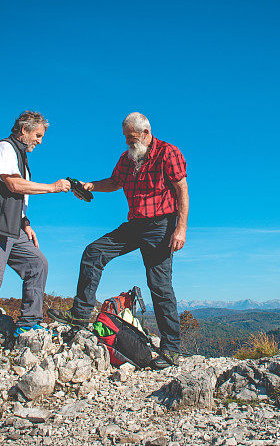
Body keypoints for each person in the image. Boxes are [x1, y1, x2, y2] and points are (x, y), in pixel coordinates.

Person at [51, 112, 189, 369]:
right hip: (136, 223)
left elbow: (182, 190)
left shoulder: (168, 153)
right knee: (94, 252)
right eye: (126, 137)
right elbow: (115, 182)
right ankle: (80, 314)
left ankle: (171, 349)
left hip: (161, 225)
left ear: (146, 133)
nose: (128, 142)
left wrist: (180, 229)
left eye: (132, 137)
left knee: (159, 285)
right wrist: (88, 185)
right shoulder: (128, 158)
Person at [0, 111, 70, 366]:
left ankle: (29, 322)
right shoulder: (4, 148)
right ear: (24, 130)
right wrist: (53, 187)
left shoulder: (21, 157)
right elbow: (13, 185)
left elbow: (17, 199)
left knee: (37, 263)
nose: (40, 141)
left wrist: (25, 223)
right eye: (38, 135)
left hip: (12, 229)